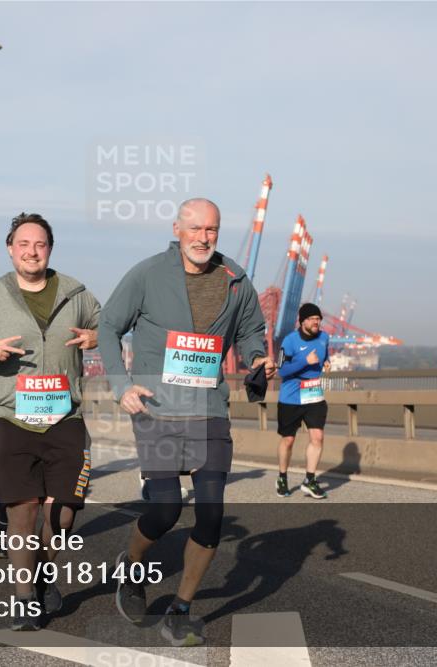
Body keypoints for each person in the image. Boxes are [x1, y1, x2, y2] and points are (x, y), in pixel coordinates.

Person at [97, 198, 277, 647]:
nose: (203, 237)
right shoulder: (147, 275)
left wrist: (257, 357)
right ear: (177, 228)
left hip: (209, 410)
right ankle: (131, 566)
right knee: (165, 510)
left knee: (211, 514)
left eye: (211, 230)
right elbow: (107, 327)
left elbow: (251, 330)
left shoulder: (235, 279)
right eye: (195, 228)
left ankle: (180, 609)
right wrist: (121, 385)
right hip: (157, 409)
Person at [0, 212, 101, 631]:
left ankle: (42, 575)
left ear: (49, 248)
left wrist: (95, 337)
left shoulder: (76, 292)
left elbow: (109, 327)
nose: (31, 251)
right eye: (23, 244)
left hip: (65, 417)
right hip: (10, 416)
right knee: (22, 511)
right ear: (10, 248)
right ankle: (22, 599)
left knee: (65, 512)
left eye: (39, 244)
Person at [276, 302, 331, 499]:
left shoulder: (324, 337)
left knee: (317, 437)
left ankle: (310, 480)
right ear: (303, 322)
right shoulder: (289, 341)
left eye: (319, 319)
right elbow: (281, 370)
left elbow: (326, 353)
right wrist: (304, 362)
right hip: (291, 395)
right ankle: (282, 477)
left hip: (313, 392)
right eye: (313, 319)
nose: (317, 322)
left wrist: (327, 362)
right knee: (288, 440)